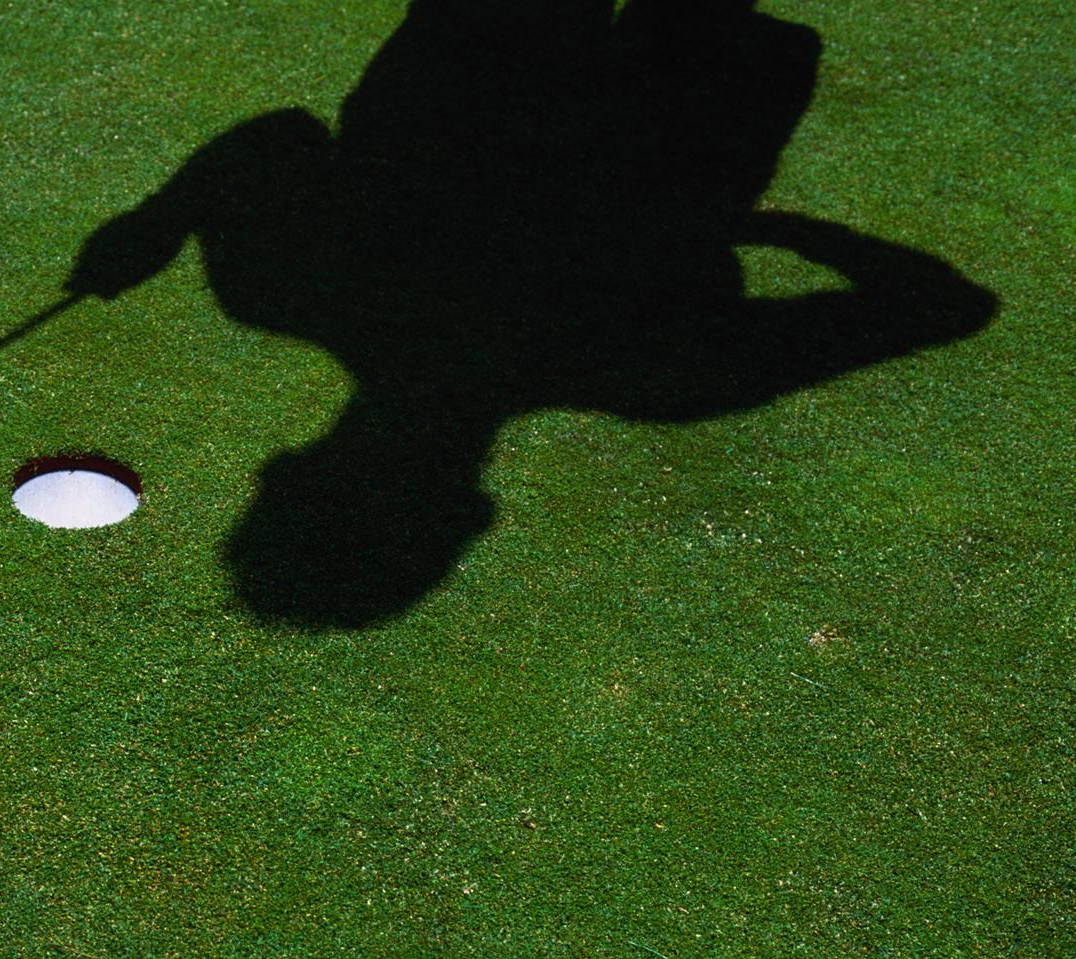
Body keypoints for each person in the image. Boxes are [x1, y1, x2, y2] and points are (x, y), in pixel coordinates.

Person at [68, 0, 997, 628]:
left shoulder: (657, 376)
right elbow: (282, 136)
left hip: (675, 73)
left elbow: (948, 306)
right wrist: (160, 220)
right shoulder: (278, 289)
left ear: (472, 512)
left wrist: (773, 231)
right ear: (280, 472)